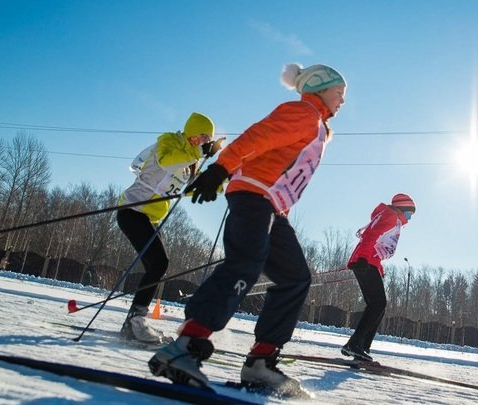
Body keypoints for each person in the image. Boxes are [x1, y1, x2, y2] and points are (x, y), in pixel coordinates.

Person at [149, 63, 347, 395]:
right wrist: (221, 167)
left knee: (295, 277)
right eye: (339, 93)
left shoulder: (316, 125)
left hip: (272, 205)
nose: (342, 101)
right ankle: (185, 345)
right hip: (254, 193)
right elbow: (259, 136)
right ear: (319, 88)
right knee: (246, 262)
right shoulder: (302, 113)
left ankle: (261, 363)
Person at [117, 112, 222, 344]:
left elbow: (188, 189)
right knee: (159, 263)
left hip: (148, 217)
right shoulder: (170, 142)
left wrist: (221, 179)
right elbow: (166, 162)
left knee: (157, 266)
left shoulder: (190, 161)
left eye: (207, 140)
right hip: (133, 211)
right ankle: (135, 321)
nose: (203, 142)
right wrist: (201, 153)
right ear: (191, 132)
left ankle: (133, 321)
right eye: (201, 137)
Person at [341, 193, 416, 362]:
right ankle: (355, 345)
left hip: (368, 261)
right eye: (409, 213)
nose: (409, 219)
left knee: (378, 306)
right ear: (402, 208)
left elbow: (377, 247)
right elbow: (371, 236)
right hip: (365, 261)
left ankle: (361, 347)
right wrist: (362, 259)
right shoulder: (390, 216)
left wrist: (379, 268)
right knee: (378, 304)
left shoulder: (391, 218)